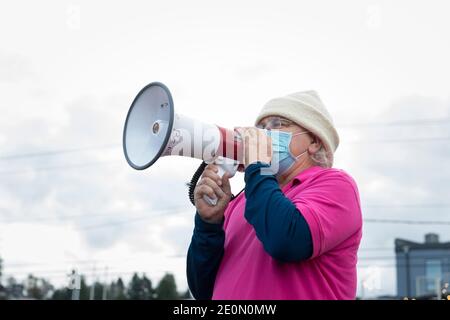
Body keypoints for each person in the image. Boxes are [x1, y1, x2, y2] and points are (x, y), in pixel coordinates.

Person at [186, 90, 362, 299]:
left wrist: (258, 167)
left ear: (314, 141)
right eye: (260, 128)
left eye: (278, 124)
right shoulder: (244, 199)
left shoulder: (336, 185)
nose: (264, 135)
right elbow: (203, 289)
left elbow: (287, 240)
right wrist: (208, 225)